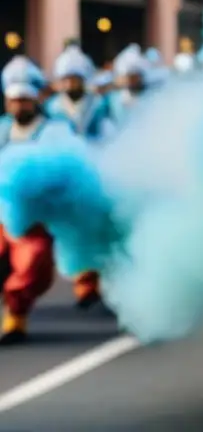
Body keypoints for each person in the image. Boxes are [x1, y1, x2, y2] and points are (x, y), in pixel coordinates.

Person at [0, 57, 73, 344]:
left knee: (32, 264)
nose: (19, 106)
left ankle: (15, 319)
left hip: (35, 218)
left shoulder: (53, 131)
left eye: (24, 100)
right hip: (1, 213)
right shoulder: (2, 129)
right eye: (14, 101)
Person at [44, 43, 113, 308]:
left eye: (75, 78)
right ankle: (81, 278)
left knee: (93, 228)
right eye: (67, 79)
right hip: (64, 178)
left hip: (95, 173)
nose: (71, 83)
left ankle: (90, 281)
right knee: (69, 231)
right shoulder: (52, 108)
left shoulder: (100, 106)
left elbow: (108, 134)